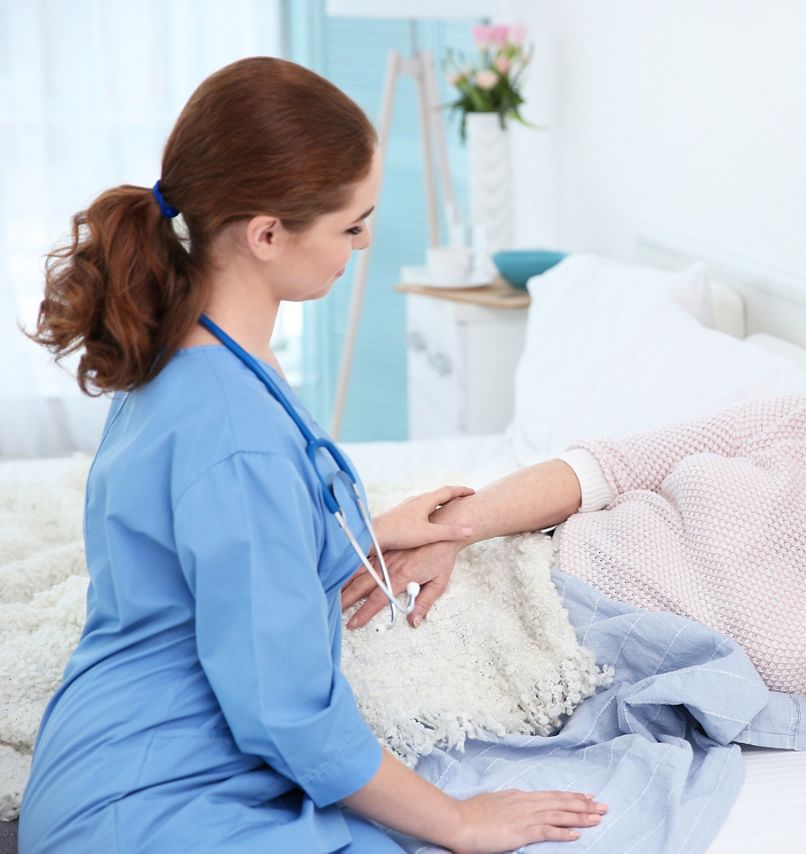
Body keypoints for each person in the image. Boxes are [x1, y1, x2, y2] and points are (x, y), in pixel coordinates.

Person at [19, 57, 605, 853]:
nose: (361, 246)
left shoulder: (193, 358)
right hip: (152, 808)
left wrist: (368, 532)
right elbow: (284, 709)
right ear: (266, 234)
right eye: (351, 226)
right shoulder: (234, 434)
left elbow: (226, 559)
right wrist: (459, 820)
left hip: (110, 758)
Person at [343, 337, 806, 724]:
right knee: (317, 578)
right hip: (517, 558)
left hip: (555, 666)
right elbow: (606, 467)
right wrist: (454, 531)